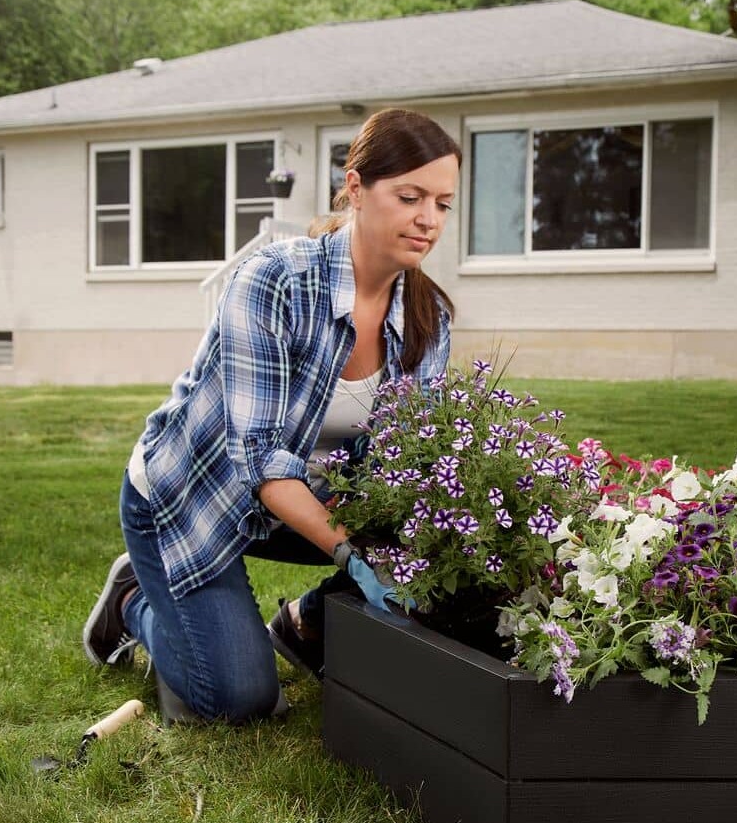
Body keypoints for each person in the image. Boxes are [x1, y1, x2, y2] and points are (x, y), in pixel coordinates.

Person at [82, 108, 460, 722]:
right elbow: (258, 461)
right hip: (196, 497)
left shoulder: (428, 318)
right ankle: (133, 603)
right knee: (237, 701)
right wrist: (355, 557)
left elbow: (408, 466)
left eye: (443, 203)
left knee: (451, 548)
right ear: (357, 189)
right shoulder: (275, 283)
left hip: (308, 504)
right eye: (410, 195)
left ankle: (304, 623)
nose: (427, 219)